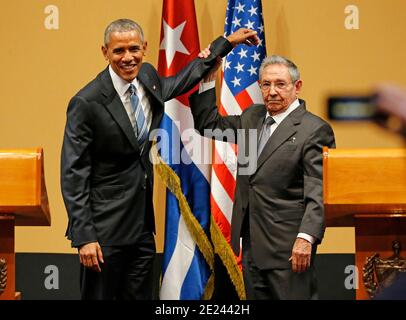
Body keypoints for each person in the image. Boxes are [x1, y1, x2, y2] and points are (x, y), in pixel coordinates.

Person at [60, 18, 259, 300]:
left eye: (133, 49)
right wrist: (85, 237)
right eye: (118, 51)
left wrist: (225, 45)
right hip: (103, 234)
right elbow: (73, 173)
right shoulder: (86, 102)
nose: (127, 58)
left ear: (144, 48)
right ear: (105, 52)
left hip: (141, 230)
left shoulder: (148, 77)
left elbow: (182, 80)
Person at [189, 54, 336, 299]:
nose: (272, 91)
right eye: (266, 84)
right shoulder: (252, 118)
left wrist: (306, 238)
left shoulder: (315, 130)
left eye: (280, 84)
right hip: (252, 249)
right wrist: (207, 80)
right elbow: (208, 124)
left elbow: (317, 191)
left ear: (296, 87)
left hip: (289, 250)